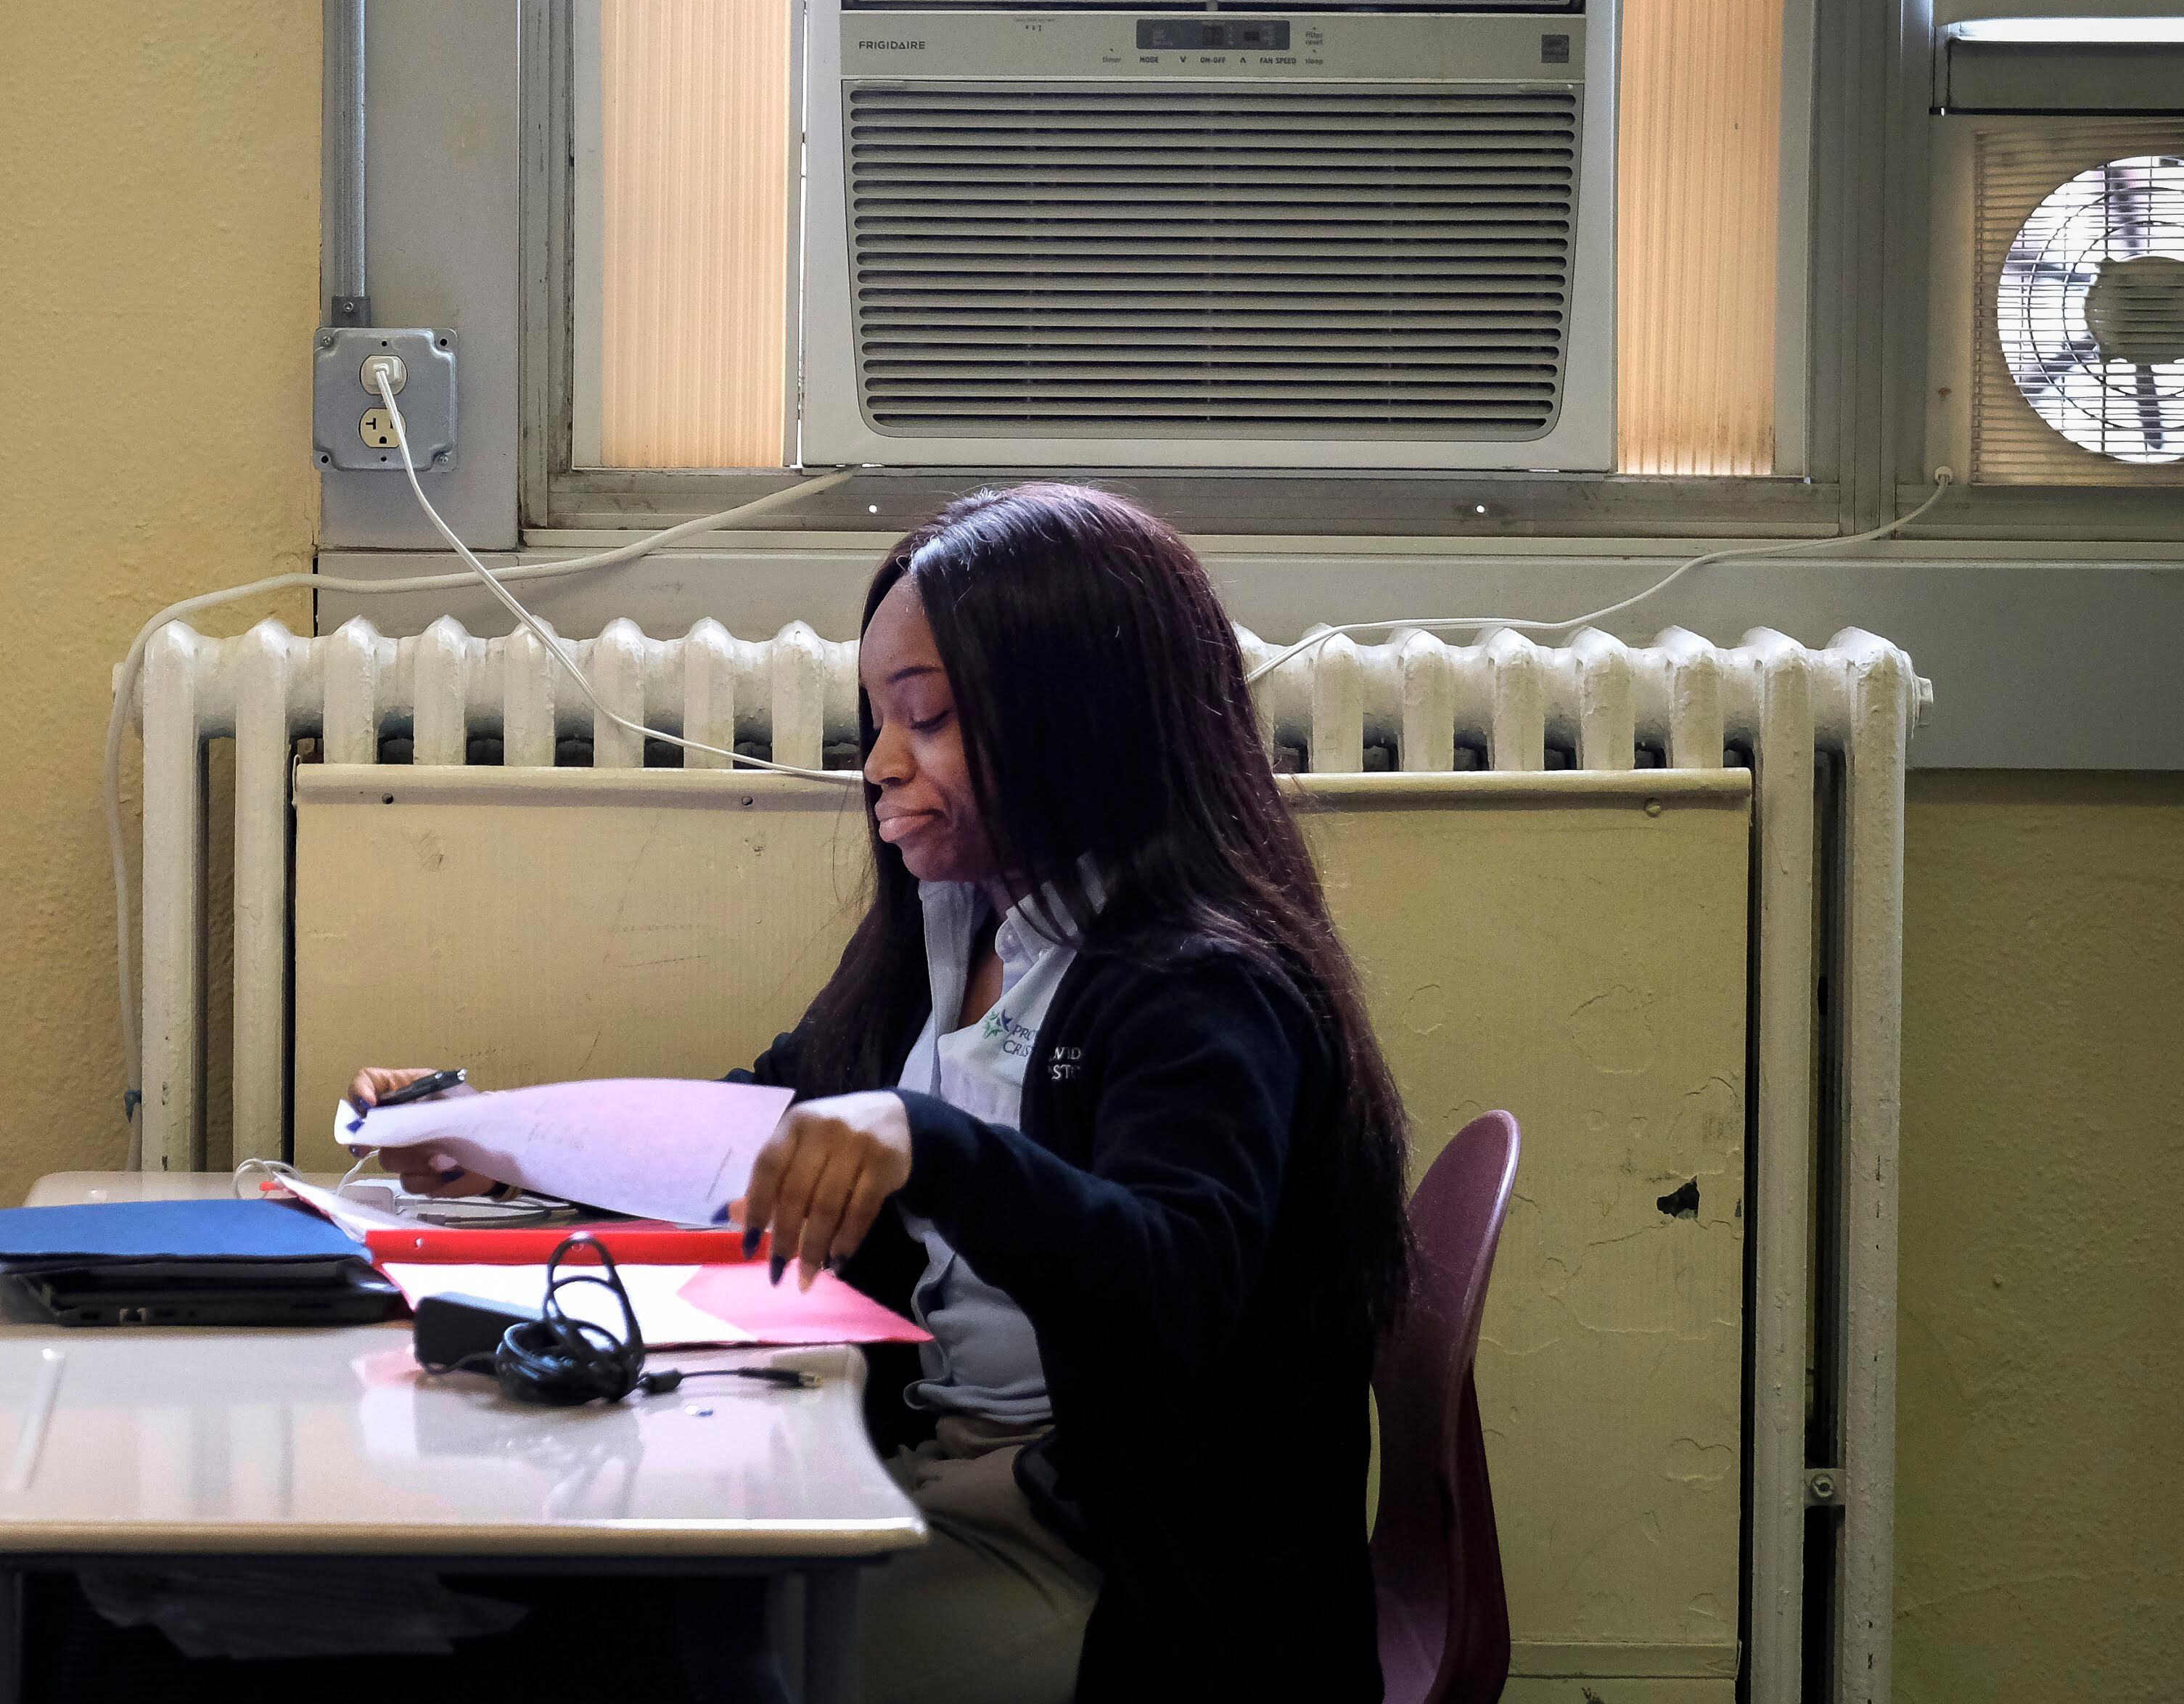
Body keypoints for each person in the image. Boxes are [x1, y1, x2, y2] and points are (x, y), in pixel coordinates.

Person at [352, 482, 1413, 1704]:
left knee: (605, 1650)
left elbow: (1176, 1278)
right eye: (878, 717)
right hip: (932, 1471)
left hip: (1115, 1570)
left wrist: (932, 1142)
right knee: (551, 1592)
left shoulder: (1201, 988)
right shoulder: (955, 930)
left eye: (928, 717)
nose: (877, 762)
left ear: (1082, 725)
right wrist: (491, 1135)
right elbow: (761, 1120)